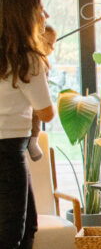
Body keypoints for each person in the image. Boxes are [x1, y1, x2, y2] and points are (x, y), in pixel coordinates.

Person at [0, 0, 54, 249]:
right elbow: (46, 113)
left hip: (9, 148)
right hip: (8, 150)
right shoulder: (29, 59)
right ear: (26, 17)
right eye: (40, 10)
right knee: (10, 231)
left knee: (28, 224)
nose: (45, 17)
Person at [24, 24, 56, 163]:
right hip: (30, 102)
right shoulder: (35, 61)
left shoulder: (43, 61)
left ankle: (34, 140)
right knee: (36, 115)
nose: (52, 48)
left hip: (36, 102)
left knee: (36, 117)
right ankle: (33, 141)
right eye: (49, 44)